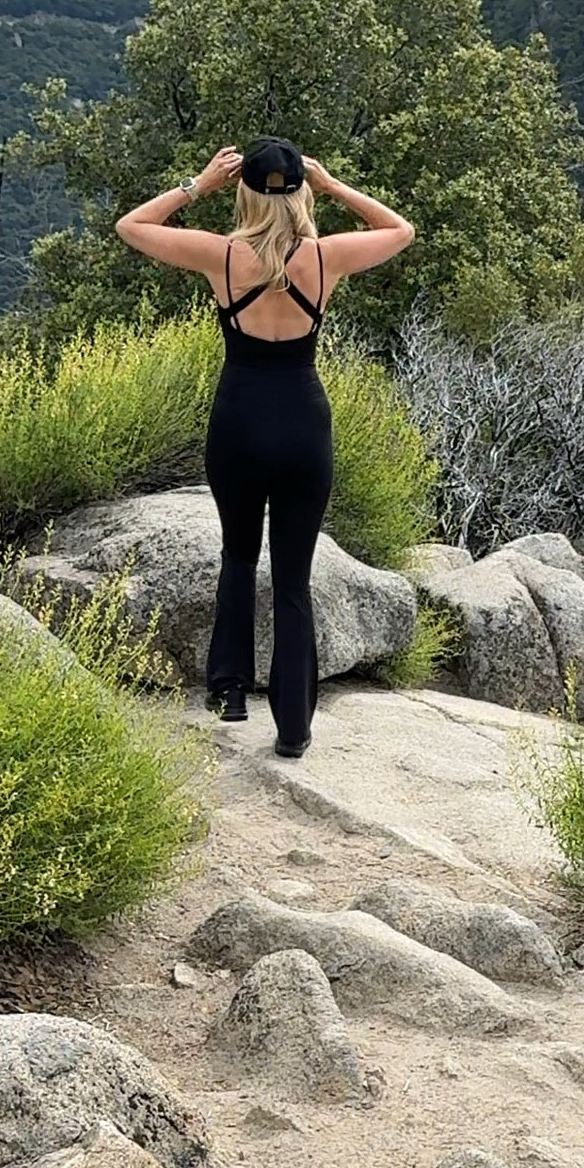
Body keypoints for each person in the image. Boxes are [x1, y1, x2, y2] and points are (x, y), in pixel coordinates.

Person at [115, 135, 415, 750]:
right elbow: (400, 230)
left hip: (239, 421)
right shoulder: (326, 258)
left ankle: (229, 691)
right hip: (304, 423)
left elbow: (131, 225)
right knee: (294, 579)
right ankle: (295, 728)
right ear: (301, 190)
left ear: (243, 193)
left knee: (237, 555)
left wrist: (198, 186)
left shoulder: (222, 256)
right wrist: (332, 187)